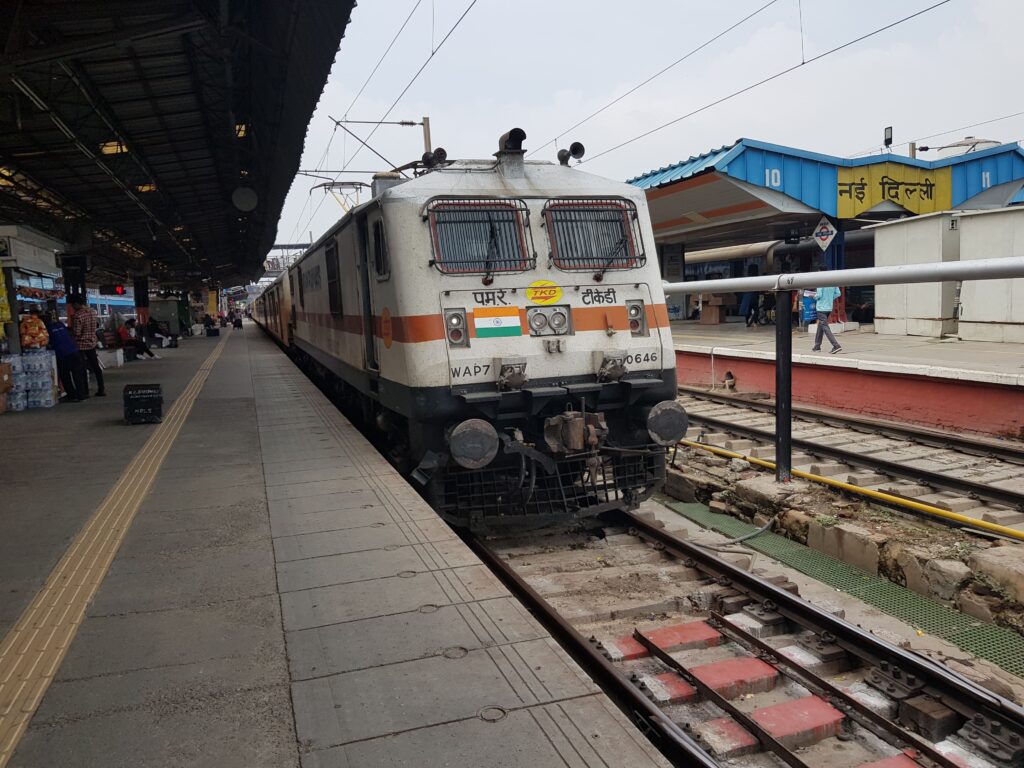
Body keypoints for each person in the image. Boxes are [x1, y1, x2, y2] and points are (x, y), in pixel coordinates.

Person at [70, 296, 106, 397]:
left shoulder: (78, 315)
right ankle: (101, 389)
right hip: (92, 343)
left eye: (73, 305)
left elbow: (77, 332)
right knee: (96, 367)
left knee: (81, 368)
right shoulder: (93, 312)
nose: (72, 307)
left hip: (81, 345)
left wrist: (71, 333)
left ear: (77, 303)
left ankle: (84, 392)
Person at [46, 313, 87, 402]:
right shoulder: (60, 324)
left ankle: (72, 396)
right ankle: (81, 395)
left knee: (65, 376)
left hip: (62, 355)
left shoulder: (46, 329)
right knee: (78, 376)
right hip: (74, 351)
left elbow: (47, 342)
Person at [812, 285, 843, 354]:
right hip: (829, 307)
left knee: (825, 327)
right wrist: (830, 298)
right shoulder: (833, 282)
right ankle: (817, 346)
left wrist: (813, 296)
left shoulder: (821, 282)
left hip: (821, 308)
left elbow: (819, 295)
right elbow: (838, 293)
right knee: (821, 326)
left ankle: (836, 345)